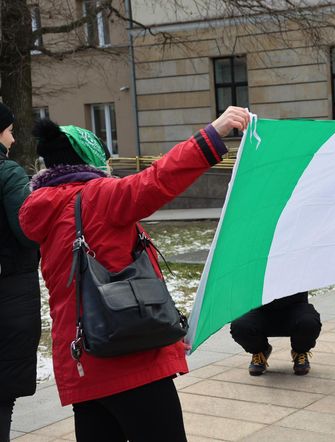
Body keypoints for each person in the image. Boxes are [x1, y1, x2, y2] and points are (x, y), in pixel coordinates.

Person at [19, 106, 250, 441]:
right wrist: (213, 133)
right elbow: (157, 179)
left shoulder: (46, 206)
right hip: (128, 359)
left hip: (82, 363)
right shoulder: (98, 196)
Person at [0, 103, 41, 442]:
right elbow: (27, 231)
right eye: (10, 130)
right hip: (9, 291)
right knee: (2, 390)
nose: (12, 139)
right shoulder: (8, 173)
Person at [230, 291, 321, 376]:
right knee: (239, 326)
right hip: (261, 310)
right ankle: (260, 351)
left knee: (309, 323)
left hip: (296, 307)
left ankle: (300, 351)